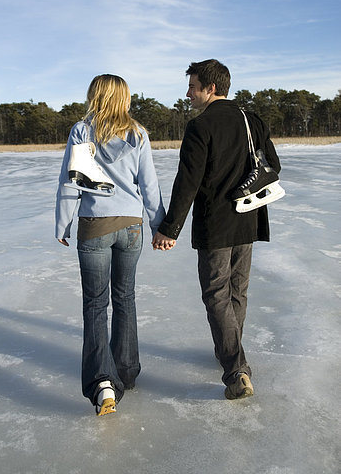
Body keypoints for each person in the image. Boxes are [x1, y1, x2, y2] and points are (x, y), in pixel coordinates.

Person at [152, 59, 281, 399]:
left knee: (215, 294)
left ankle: (236, 369)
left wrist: (170, 228)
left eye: (192, 86)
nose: (188, 93)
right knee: (237, 291)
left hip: (215, 223)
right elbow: (274, 166)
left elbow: (188, 182)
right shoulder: (252, 120)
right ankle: (230, 352)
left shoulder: (201, 126)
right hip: (249, 217)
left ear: (210, 88)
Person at [55, 74, 166, 416]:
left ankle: (104, 381)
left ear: (95, 95)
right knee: (125, 298)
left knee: (95, 305)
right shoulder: (137, 133)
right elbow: (149, 185)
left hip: (95, 227)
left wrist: (63, 222)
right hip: (131, 227)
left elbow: (70, 181)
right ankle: (127, 371)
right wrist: (160, 225)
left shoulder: (82, 131)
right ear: (124, 98)